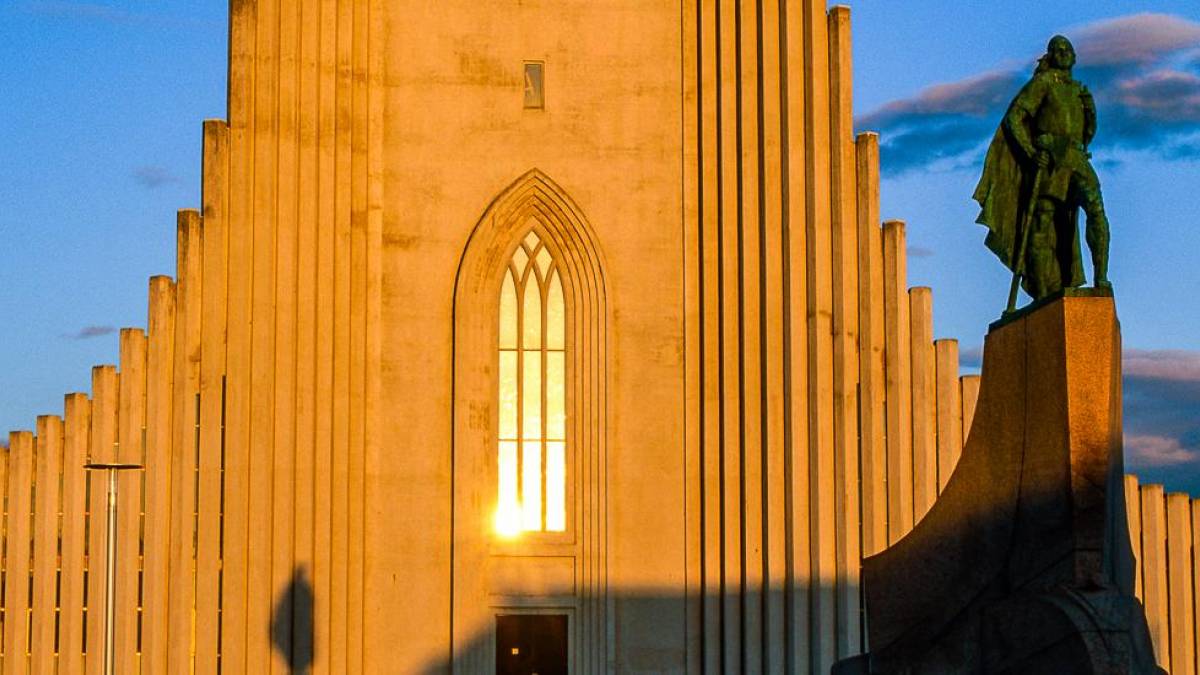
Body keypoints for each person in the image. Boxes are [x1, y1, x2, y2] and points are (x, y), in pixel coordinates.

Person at [973, 35, 1111, 302]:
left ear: (1074, 56)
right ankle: (1044, 291)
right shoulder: (1043, 83)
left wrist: (1090, 108)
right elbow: (1015, 118)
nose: (1063, 52)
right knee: (1043, 221)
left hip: (1076, 158)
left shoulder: (1079, 90)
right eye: (1057, 49)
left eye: (1067, 49)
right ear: (1050, 56)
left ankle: (1101, 277)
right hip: (1051, 157)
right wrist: (1032, 152)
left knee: (1095, 208)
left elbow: (1087, 134)